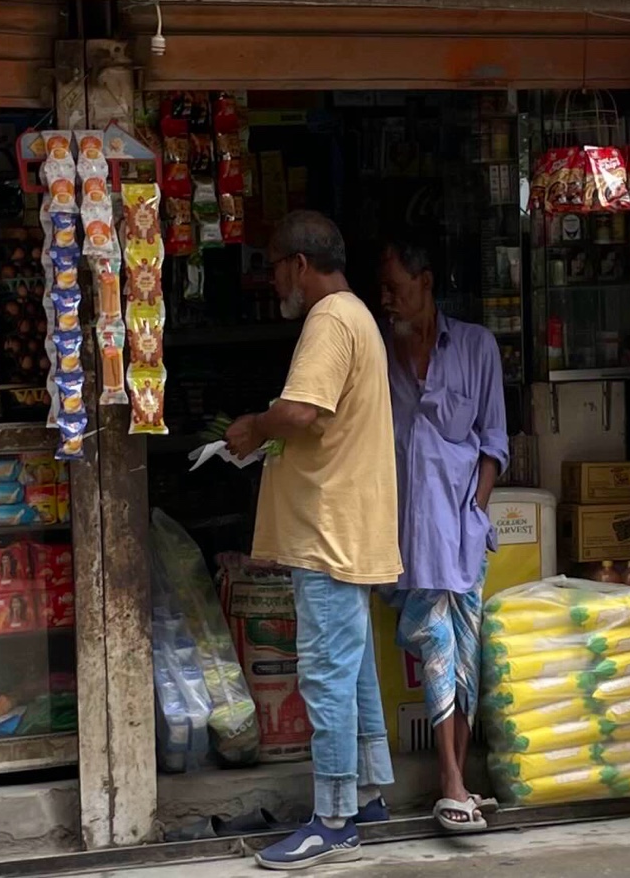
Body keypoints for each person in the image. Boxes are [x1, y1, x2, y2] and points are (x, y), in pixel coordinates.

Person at [226, 211, 400, 870]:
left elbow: (301, 411)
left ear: (299, 265)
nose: (273, 283)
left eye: (275, 268)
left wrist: (252, 426)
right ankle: (368, 794)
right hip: (348, 525)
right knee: (352, 671)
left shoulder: (328, 320)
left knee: (327, 674)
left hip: (328, 531)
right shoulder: (357, 316)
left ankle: (332, 821)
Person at [378, 238, 509, 836]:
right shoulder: (379, 352)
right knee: (436, 642)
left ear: (425, 282)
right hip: (406, 532)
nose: (386, 300)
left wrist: (476, 512)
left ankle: (456, 782)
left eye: (395, 288)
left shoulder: (477, 347)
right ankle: (451, 781)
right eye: (383, 290)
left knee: (465, 652)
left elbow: (494, 442)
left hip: (460, 528)